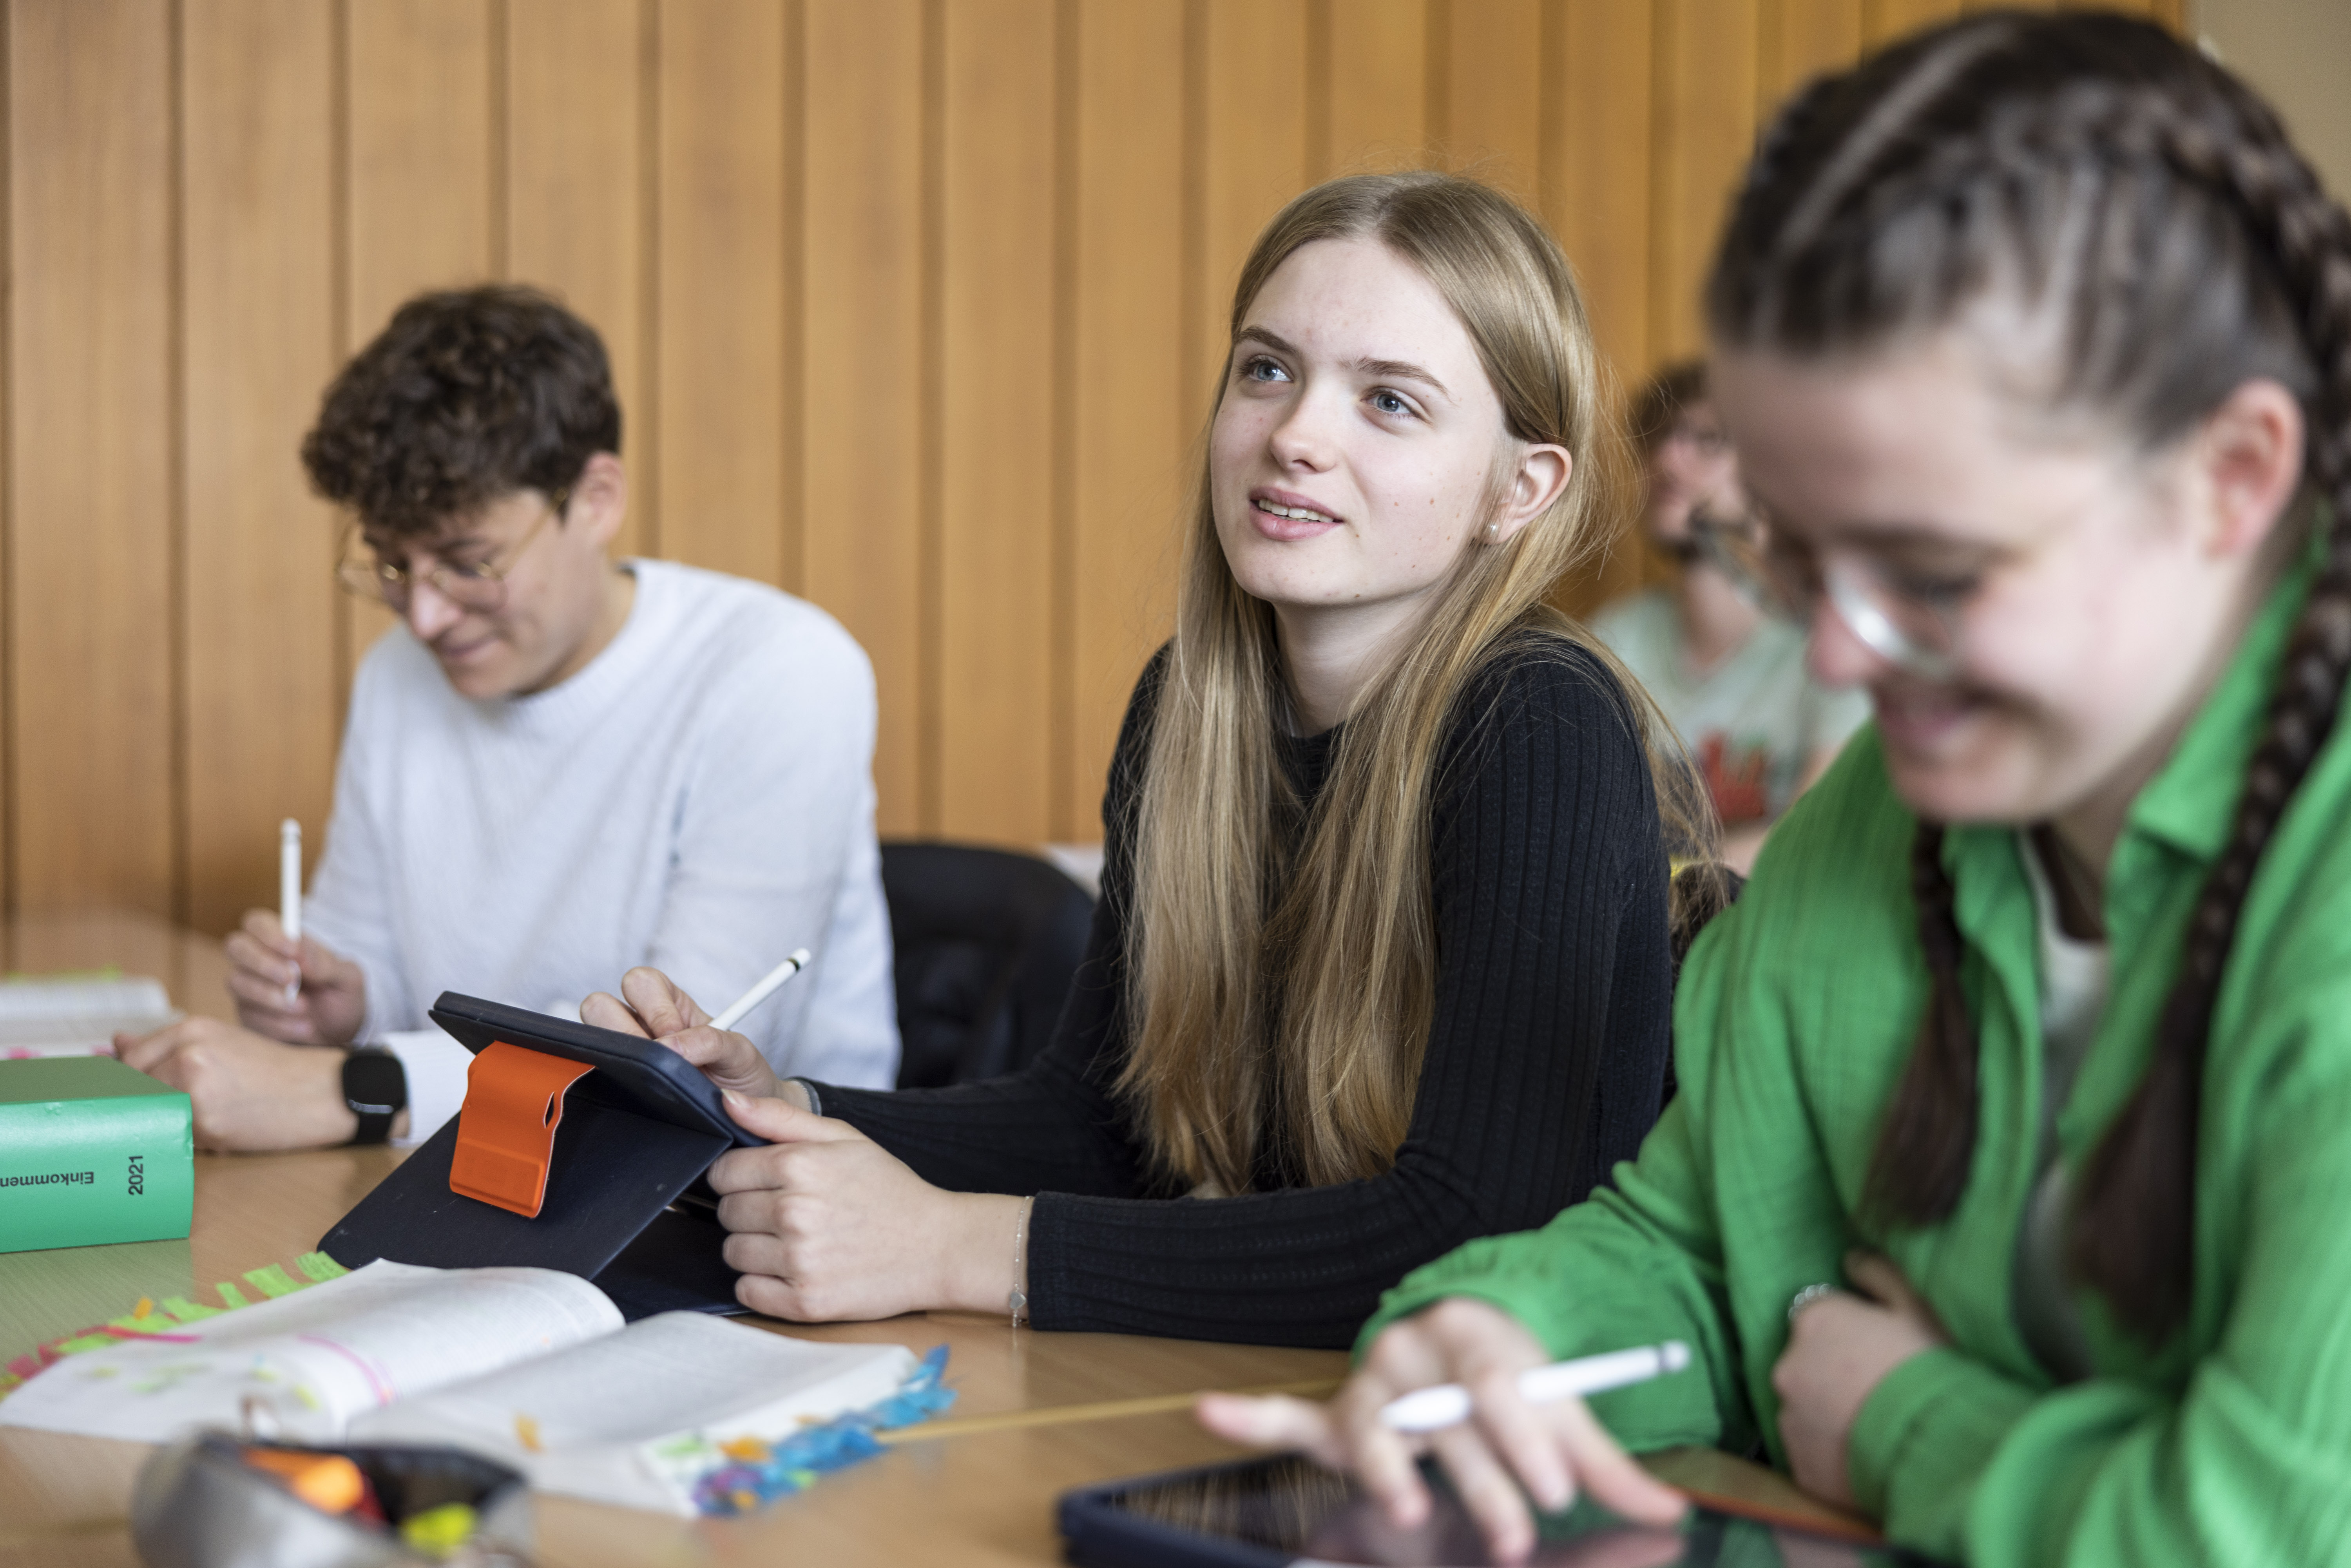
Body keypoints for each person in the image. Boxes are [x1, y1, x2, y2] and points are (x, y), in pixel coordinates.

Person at [1197, 13, 2351, 1563]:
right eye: (1799, 554)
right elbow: (1690, 1245)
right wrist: (1489, 1333)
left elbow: (2264, 1527)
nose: (1841, 649)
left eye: (1937, 571)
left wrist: (1901, 1421)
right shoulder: (1884, 820)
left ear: (2230, 477)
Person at [584, 171, 1709, 1347]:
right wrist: (781, 1107)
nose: (1295, 435)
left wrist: (959, 1246)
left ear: (1517, 491)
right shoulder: (1190, 706)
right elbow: (1106, 1122)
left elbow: (1485, 1234)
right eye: (1268, 370)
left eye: (1390, 402)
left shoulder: (1542, 718)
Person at [117, 286, 898, 1151]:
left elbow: (682, 1062)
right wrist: (347, 1002)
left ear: (596, 499)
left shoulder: (778, 672)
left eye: (467, 563)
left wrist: (353, 1088)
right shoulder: (402, 675)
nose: (424, 618)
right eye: (389, 566)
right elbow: (368, 959)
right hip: (479, 1172)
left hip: (745, 1209)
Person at [1591, 362, 1869, 872]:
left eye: (1708, 441)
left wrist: (1652, 886)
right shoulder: (1612, 640)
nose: (1668, 459)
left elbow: (1818, 841)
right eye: (1661, 438)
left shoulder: (1830, 646)